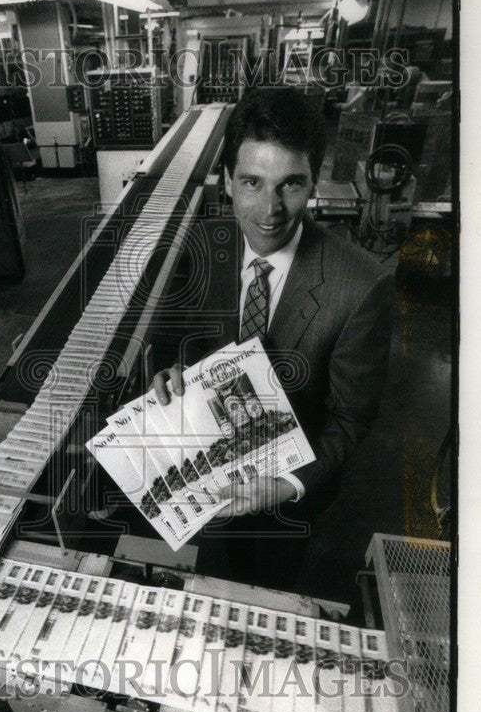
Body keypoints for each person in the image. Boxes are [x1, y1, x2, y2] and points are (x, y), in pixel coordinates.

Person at [151, 87, 395, 589]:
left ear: (313, 184)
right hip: (210, 478)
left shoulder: (361, 285)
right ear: (226, 182)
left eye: (290, 185)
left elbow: (351, 419)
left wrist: (284, 486)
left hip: (288, 498)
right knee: (213, 584)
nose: (269, 210)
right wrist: (178, 376)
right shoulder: (199, 248)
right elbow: (189, 343)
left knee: (270, 591)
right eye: (252, 182)